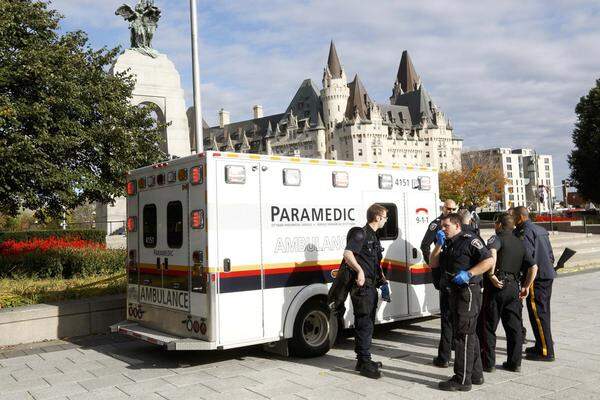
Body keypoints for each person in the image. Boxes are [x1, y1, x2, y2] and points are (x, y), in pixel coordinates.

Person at [429, 213, 494, 391]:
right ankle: (476, 374)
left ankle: (462, 379)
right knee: (469, 334)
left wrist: (470, 273)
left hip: (468, 292)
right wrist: (439, 244)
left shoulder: (469, 239)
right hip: (453, 293)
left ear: (457, 225)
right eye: (441, 226)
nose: (443, 229)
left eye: (446, 226)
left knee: (462, 335)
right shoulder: (447, 242)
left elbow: (488, 260)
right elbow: (433, 264)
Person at [479, 213, 538, 373]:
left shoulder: (495, 237)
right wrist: (526, 286)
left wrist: (491, 274)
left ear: (499, 224)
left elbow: (493, 252)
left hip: (497, 286)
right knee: (514, 327)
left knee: (488, 326)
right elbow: (534, 267)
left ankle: (488, 363)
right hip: (514, 287)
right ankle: (514, 363)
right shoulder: (520, 242)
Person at [343, 203, 388, 378]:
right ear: (377, 217)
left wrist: (382, 279)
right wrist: (359, 270)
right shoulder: (361, 233)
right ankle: (364, 361)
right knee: (364, 323)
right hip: (362, 288)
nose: (385, 221)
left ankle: (363, 361)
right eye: (385, 217)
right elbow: (348, 254)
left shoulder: (374, 237)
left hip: (372, 285)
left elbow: (375, 261)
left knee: (368, 322)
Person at [513, 206, 556, 362]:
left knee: (538, 314)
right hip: (546, 274)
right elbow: (550, 255)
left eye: (513, 217)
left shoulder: (524, 233)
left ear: (520, 217)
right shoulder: (540, 229)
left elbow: (526, 258)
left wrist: (524, 280)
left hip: (535, 278)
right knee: (541, 313)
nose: (512, 220)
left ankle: (546, 351)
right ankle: (541, 344)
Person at [420, 199, 458, 368]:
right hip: (444, 270)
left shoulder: (459, 222)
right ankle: (445, 355)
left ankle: (456, 347)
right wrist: (433, 264)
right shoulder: (436, 225)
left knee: (458, 315)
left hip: (458, 271)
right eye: (448, 208)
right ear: (443, 207)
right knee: (447, 315)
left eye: (453, 208)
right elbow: (424, 245)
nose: (450, 210)